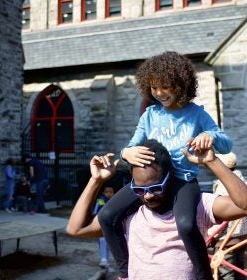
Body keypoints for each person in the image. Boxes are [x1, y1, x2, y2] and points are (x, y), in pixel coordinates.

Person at [98, 51, 233, 279]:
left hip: (182, 182)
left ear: (181, 84)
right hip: (150, 182)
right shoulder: (149, 115)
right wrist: (126, 152)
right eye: (153, 88)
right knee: (106, 216)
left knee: (186, 225)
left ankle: (203, 276)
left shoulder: (196, 114)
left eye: (165, 87)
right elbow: (129, 148)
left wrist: (209, 136)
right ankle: (126, 272)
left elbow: (226, 144)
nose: (159, 93)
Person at [67, 139, 247, 280]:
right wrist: (96, 180)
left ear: (169, 178)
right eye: (140, 190)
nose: (148, 196)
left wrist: (212, 162)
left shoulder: (196, 206)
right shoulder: (130, 214)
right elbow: (76, 229)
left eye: (155, 188)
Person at [207, 152, 247, 280]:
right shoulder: (240, 182)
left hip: (226, 239)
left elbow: (222, 215)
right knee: (240, 270)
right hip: (242, 236)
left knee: (226, 273)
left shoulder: (224, 186)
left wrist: (210, 233)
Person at [93, 185, 115, 269]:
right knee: (102, 241)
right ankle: (104, 260)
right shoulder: (101, 200)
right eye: (107, 192)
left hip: (111, 226)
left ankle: (106, 262)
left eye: (111, 192)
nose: (109, 194)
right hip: (101, 225)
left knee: (110, 244)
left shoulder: (115, 201)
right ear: (103, 193)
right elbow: (96, 212)